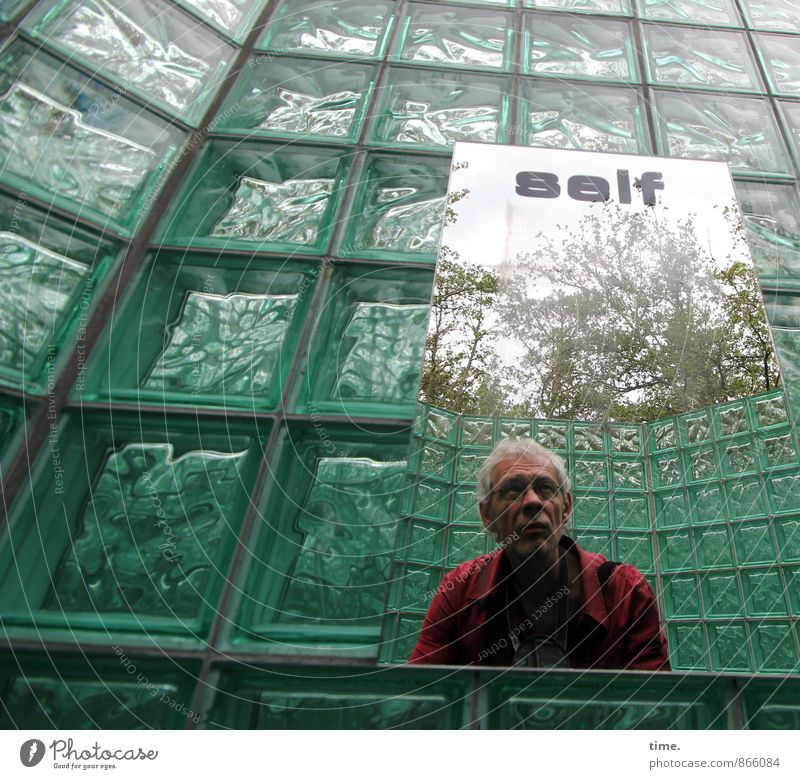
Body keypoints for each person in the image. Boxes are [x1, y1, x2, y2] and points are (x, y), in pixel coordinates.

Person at [408, 438, 670, 670]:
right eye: (512, 489)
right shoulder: (459, 592)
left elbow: (658, 711)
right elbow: (419, 699)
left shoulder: (624, 591)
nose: (533, 502)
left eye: (545, 487)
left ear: (565, 507)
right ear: (487, 515)